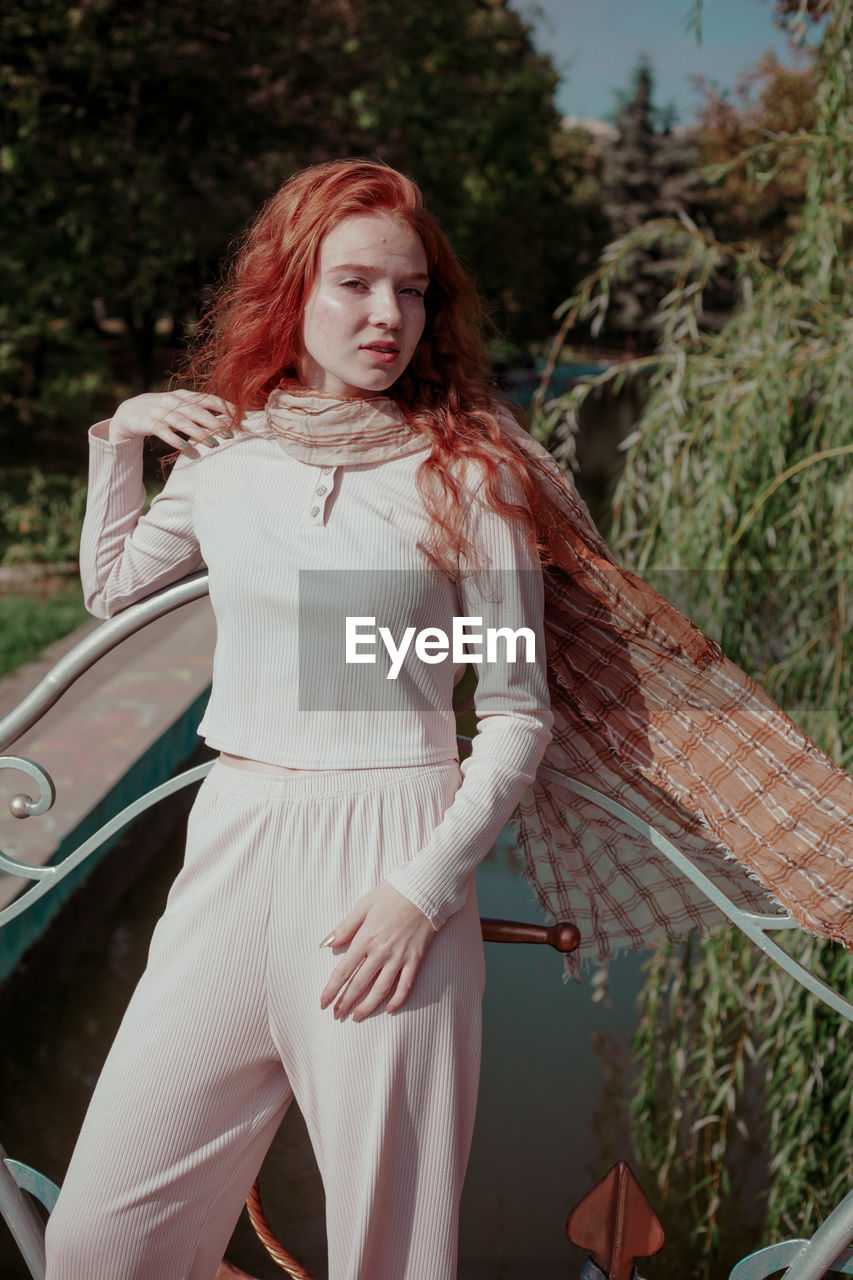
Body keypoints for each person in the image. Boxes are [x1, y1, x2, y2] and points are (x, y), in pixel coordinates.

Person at [44, 158, 556, 1280]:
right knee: (95, 1243)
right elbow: (114, 582)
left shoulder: (468, 475)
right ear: (293, 289)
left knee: (391, 1253)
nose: (389, 316)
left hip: (390, 864)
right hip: (233, 840)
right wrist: (119, 437)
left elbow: (516, 713)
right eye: (357, 284)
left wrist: (421, 893)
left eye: (412, 290)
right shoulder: (230, 457)